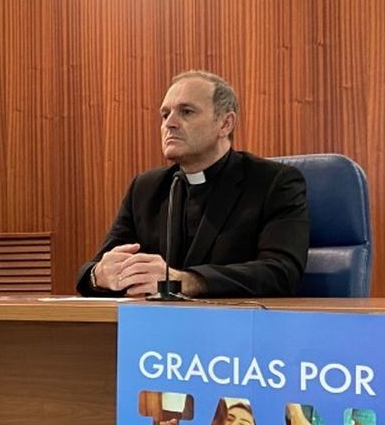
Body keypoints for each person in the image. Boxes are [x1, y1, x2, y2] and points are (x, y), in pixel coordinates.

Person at [78, 70, 309, 298]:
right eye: (165, 114)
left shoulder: (273, 182)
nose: (170, 123)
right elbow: (95, 266)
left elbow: (281, 272)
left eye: (186, 112)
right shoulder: (146, 188)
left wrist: (185, 281)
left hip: (236, 328)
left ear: (225, 124)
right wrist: (98, 275)